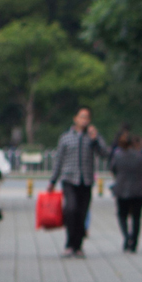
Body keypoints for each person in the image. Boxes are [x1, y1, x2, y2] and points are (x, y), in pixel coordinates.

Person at [49, 107, 107, 258]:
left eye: (87, 117)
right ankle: (69, 244)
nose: (84, 120)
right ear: (75, 118)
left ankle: (78, 245)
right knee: (71, 209)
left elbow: (104, 154)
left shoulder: (92, 137)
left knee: (82, 213)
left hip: (86, 180)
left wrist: (95, 139)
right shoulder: (66, 138)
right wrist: (52, 181)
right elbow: (59, 160)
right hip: (69, 179)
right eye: (81, 117)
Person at [109, 131, 142, 253]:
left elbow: (113, 169)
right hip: (139, 189)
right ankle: (134, 241)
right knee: (137, 217)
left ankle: (126, 236)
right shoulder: (141, 156)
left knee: (122, 215)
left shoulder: (117, 156)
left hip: (122, 189)